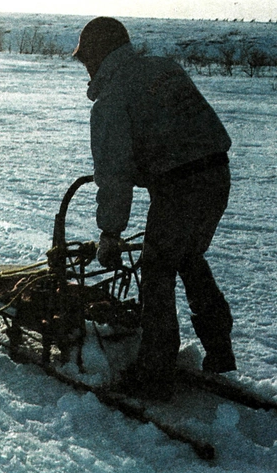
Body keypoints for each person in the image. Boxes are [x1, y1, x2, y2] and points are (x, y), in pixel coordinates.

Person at [72, 17, 235, 400]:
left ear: (98, 56)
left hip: (180, 185)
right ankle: (219, 347)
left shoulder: (111, 102)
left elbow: (114, 176)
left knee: (158, 268)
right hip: (217, 174)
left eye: (86, 61)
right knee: (188, 256)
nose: (86, 69)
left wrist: (110, 233)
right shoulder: (164, 67)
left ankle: (155, 372)